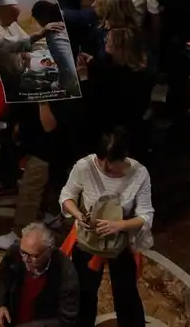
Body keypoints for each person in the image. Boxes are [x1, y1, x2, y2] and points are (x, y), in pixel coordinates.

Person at [59, 129, 153, 327]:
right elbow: (67, 196)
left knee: (125, 292)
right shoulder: (84, 166)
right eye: (101, 161)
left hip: (121, 241)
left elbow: (146, 215)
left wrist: (120, 225)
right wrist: (80, 216)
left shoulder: (140, 174)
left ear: (124, 157)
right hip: (89, 239)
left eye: (111, 163)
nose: (105, 167)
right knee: (84, 291)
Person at [0, 223, 80, 327]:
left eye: (33, 256)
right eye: (23, 252)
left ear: (49, 250)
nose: (25, 259)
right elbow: (5, 276)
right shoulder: (16, 251)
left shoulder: (66, 274)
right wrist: (2, 304)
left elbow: (66, 321)